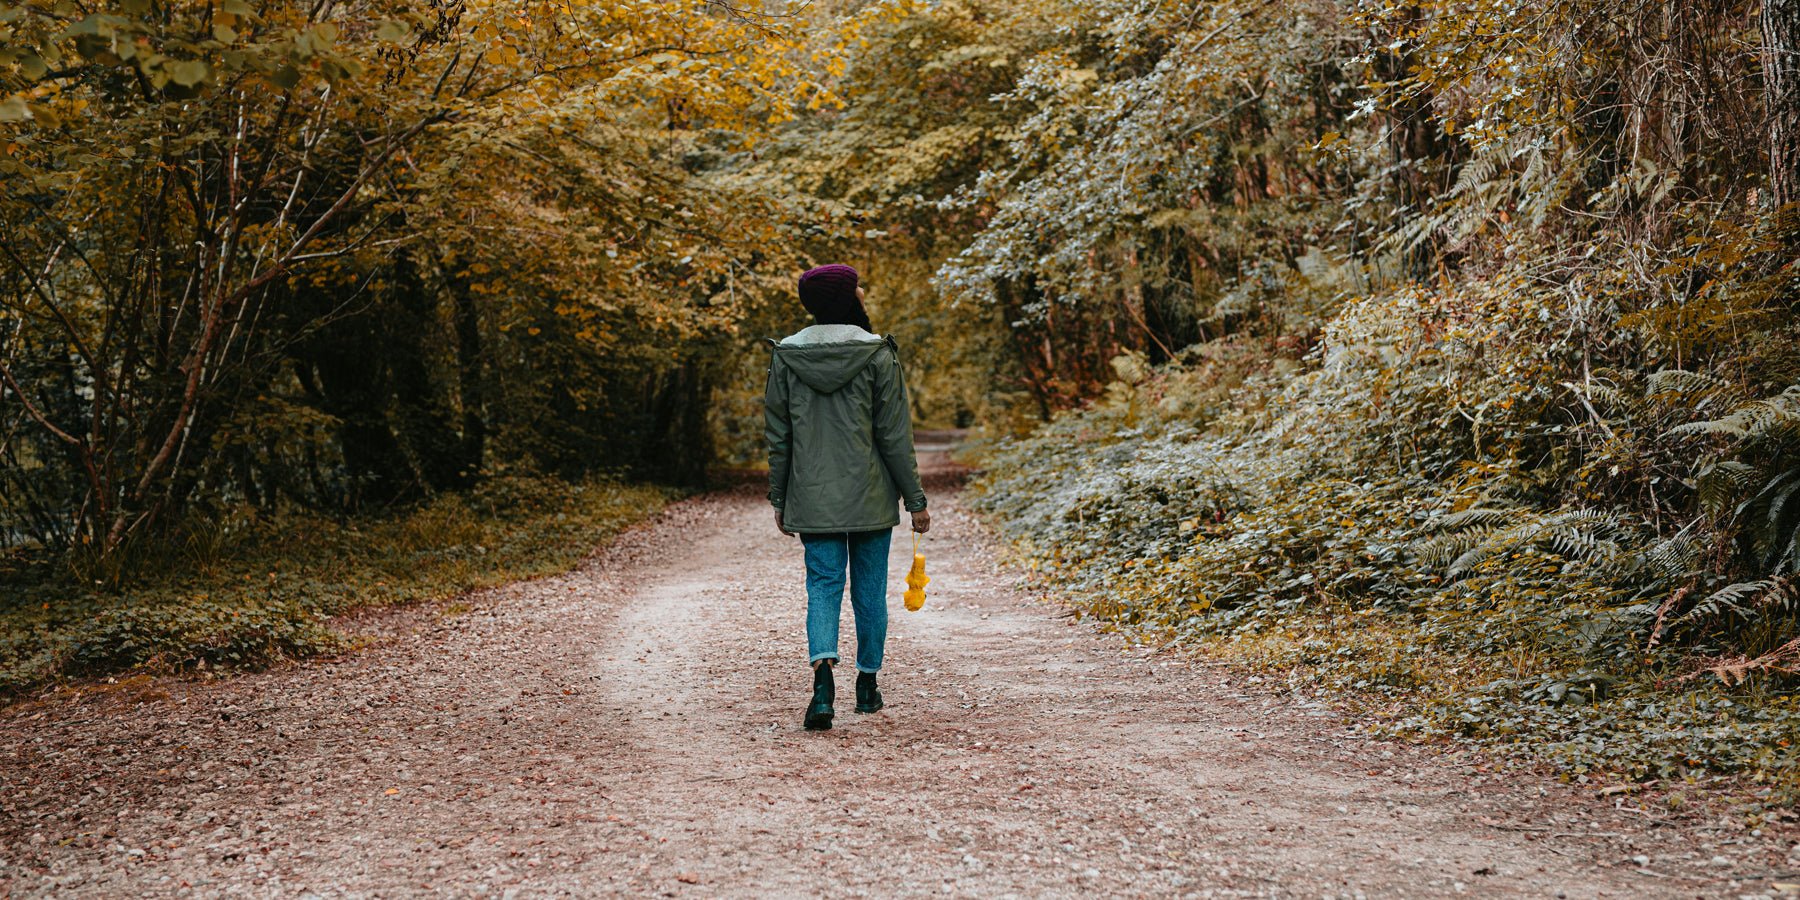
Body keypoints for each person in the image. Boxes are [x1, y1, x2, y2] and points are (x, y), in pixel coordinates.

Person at [764, 264, 929, 731]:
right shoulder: (877, 354)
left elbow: (779, 437)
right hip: (872, 498)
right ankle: (868, 684)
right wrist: (915, 500)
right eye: (858, 287)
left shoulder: (786, 356)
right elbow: (894, 436)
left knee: (822, 586)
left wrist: (780, 497)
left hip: (813, 499)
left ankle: (822, 686)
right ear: (848, 299)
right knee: (869, 592)